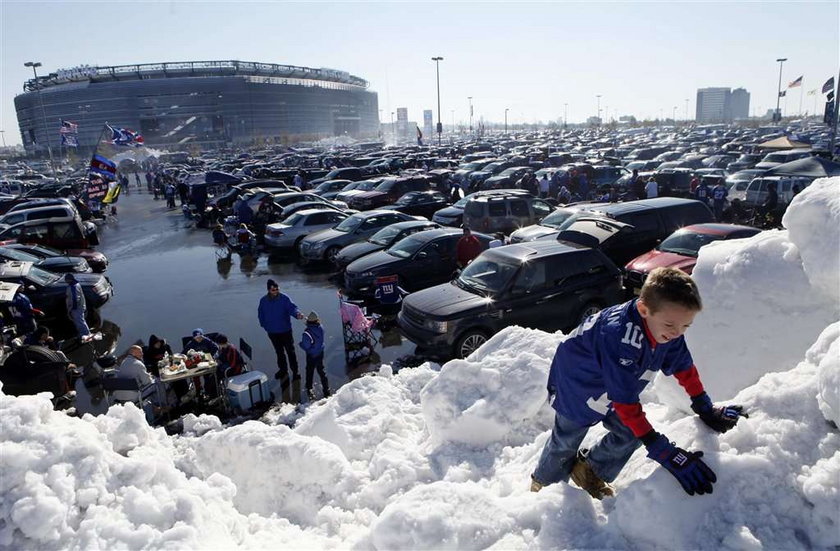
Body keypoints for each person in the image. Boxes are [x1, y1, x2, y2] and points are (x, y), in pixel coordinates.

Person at [530, 267, 746, 499]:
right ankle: (544, 489)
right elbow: (625, 401)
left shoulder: (664, 326)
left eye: (685, 326)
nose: (677, 333)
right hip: (578, 385)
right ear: (644, 309)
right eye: (672, 326)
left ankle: (589, 470)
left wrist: (703, 404)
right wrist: (661, 449)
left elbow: (683, 366)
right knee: (567, 440)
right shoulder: (620, 338)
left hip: (613, 382)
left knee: (631, 433)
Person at [258, 279, 304, 388]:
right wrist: (264, 325)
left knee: (290, 352)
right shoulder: (263, 301)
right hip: (272, 332)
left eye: (277, 289)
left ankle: (295, 372)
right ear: (269, 290)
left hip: (285, 331)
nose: (276, 291)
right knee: (279, 352)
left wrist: (297, 314)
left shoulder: (284, 298)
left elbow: (292, 308)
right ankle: (283, 370)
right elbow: (261, 314)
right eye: (273, 289)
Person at [299, 311, 329, 400]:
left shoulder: (307, 333)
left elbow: (306, 345)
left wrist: (300, 344)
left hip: (311, 355)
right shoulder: (321, 327)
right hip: (320, 352)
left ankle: (309, 387)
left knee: (309, 370)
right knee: (321, 370)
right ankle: (326, 390)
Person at [65, 273, 90, 338]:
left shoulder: (73, 287)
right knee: (80, 321)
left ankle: (86, 334)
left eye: (66, 280)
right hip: (80, 306)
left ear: (69, 280)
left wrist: (71, 309)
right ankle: (83, 333)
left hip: (76, 308)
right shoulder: (77, 284)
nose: (65, 281)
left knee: (80, 321)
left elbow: (75, 299)